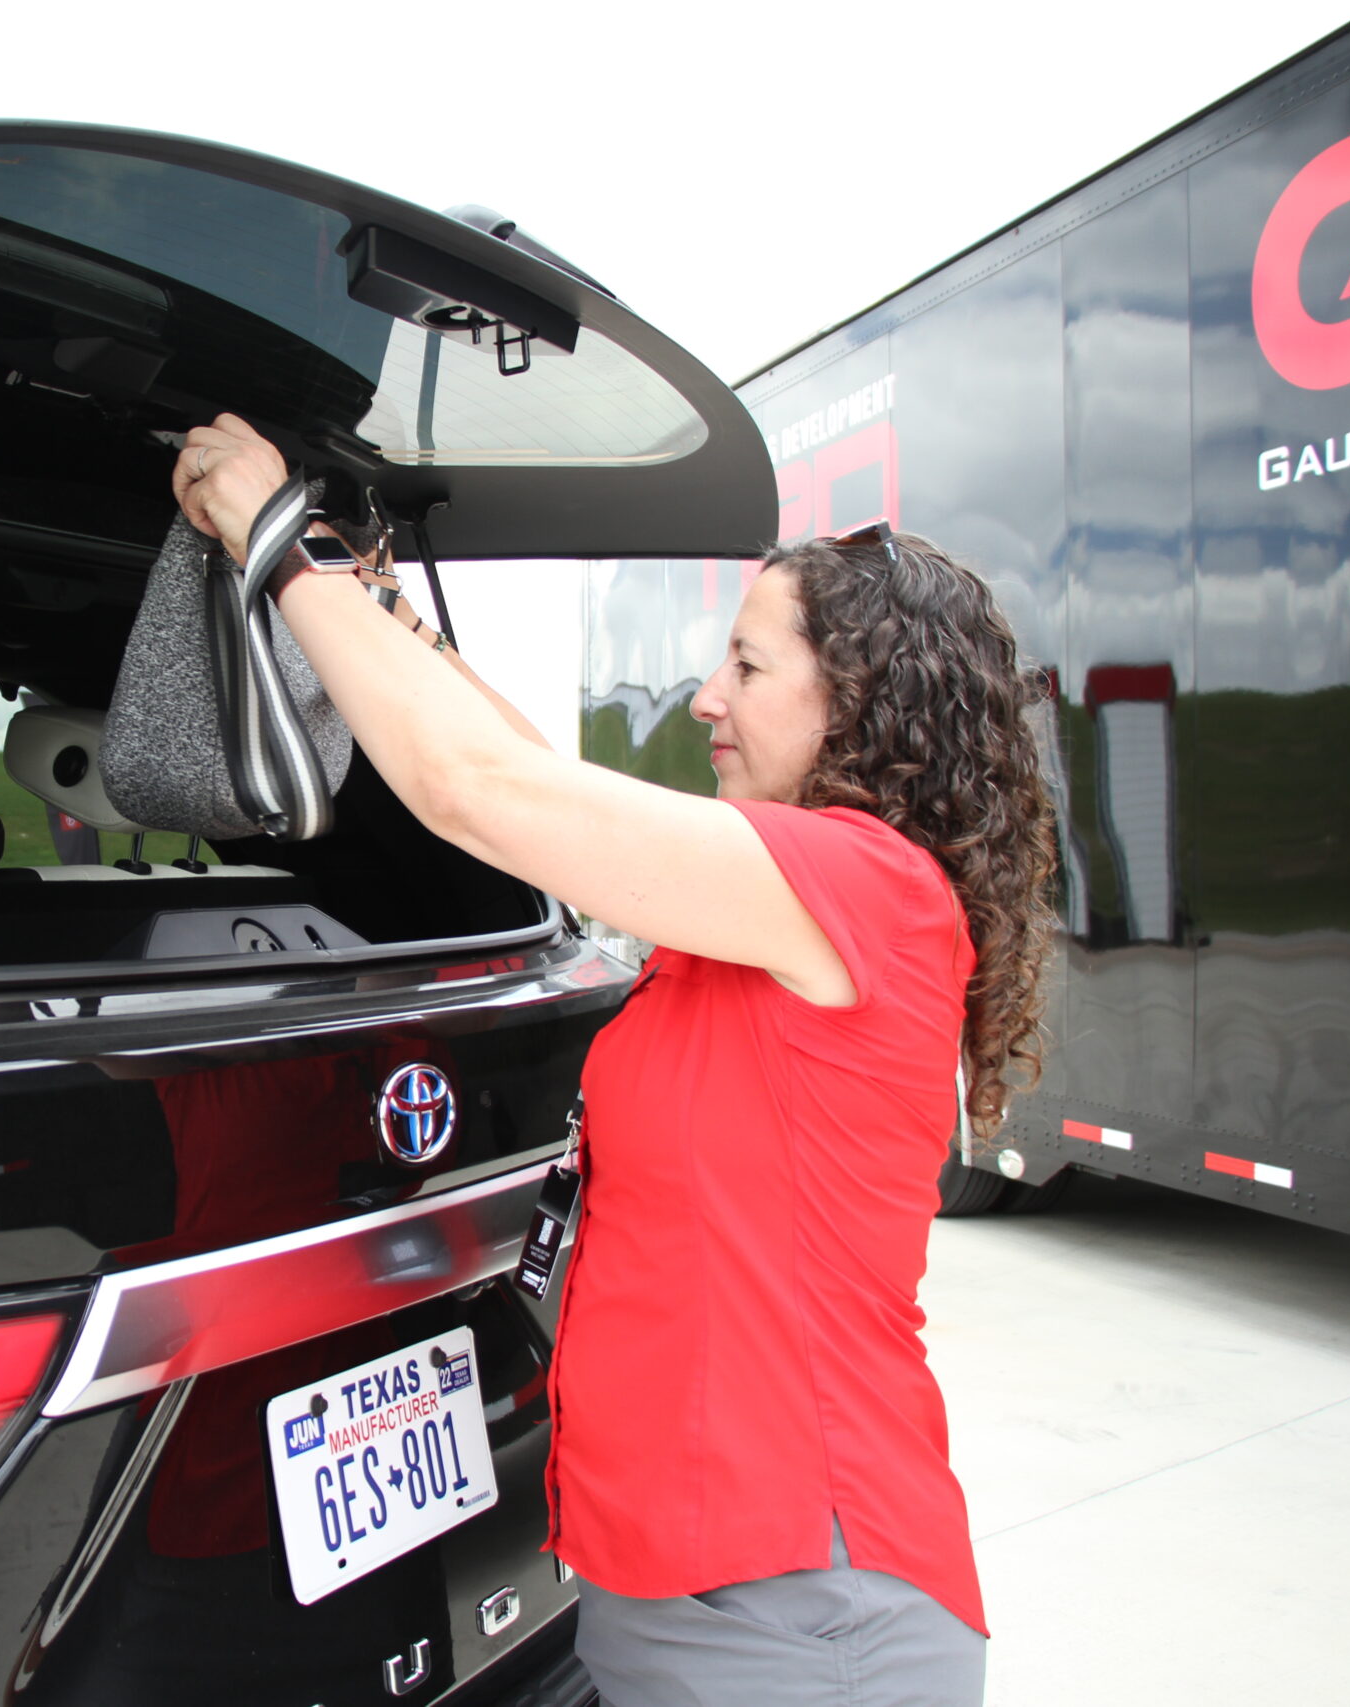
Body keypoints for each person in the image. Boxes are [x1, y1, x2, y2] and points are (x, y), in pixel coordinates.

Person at [171, 413, 1058, 1707]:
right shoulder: (760, 917)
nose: (706, 697)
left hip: (797, 1611)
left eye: (747, 668)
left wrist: (275, 549)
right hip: (694, 1592)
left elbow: (482, 793)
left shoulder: (870, 889)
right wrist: (379, 606)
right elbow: (528, 773)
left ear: (857, 704)